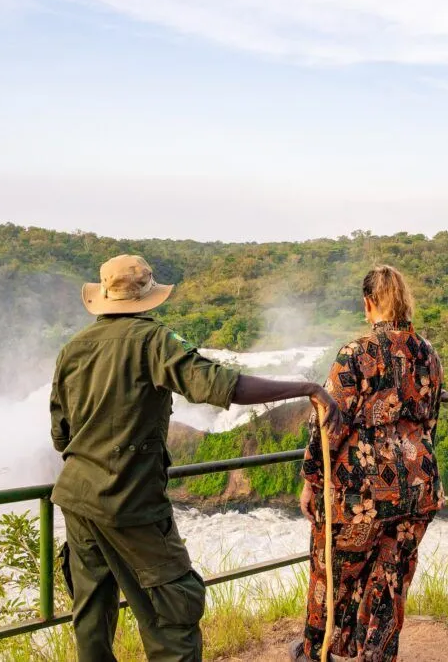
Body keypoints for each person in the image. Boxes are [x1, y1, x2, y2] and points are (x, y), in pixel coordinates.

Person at [50, 254, 338, 662]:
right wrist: (306, 386)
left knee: (91, 617)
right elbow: (220, 385)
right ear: (147, 297)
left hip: (77, 500)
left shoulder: (72, 349)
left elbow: (61, 435)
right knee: (173, 611)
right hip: (130, 501)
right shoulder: (152, 341)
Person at [291, 265, 445, 662]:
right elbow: (430, 421)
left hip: (362, 493)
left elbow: (328, 425)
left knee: (333, 577)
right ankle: (376, 655)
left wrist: (311, 479)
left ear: (368, 303)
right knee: (389, 582)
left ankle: (315, 653)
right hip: (418, 489)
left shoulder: (355, 354)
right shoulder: (429, 354)